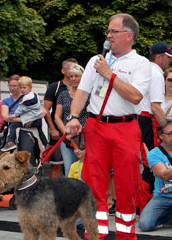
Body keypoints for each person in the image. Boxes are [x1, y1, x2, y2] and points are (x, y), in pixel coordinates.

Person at [65, 13, 151, 239]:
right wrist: (74, 117)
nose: (109, 35)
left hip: (126, 127)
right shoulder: (96, 60)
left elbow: (135, 96)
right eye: (108, 31)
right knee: (94, 184)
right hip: (96, 126)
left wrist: (109, 75)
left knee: (126, 186)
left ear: (129, 36)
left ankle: (126, 236)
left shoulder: (141, 63)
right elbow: (82, 92)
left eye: (114, 31)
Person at [54, 63, 89, 177]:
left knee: (85, 169)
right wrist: (65, 131)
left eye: (76, 76)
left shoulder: (89, 96)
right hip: (67, 137)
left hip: (85, 137)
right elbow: (57, 116)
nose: (73, 79)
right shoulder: (63, 95)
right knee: (69, 168)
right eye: (71, 76)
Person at [139, 42, 172, 150]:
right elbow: (155, 107)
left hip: (138, 118)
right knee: (153, 158)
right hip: (148, 120)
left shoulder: (144, 69)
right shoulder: (156, 74)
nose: (170, 60)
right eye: (168, 57)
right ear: (159, 57)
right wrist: (168, 129)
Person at [2, 76, 45, 151]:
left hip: (31, 129)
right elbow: (5, 117)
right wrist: (25, 120)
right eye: (10, 86)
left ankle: (45, 145)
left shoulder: (28, 98)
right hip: (19, 129)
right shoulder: (6, 101)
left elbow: (43, 112)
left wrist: (17, 118)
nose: (12, 88)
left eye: (15, 86)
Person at [44, 58, 78, 144]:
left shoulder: (83, 89)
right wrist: (52, 129)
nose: (73, 71)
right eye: (70, 68)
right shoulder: (55, 87)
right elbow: (46, 110)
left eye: (75, 68)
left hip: (79, 132)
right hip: (59, 133)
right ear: (63, 71)